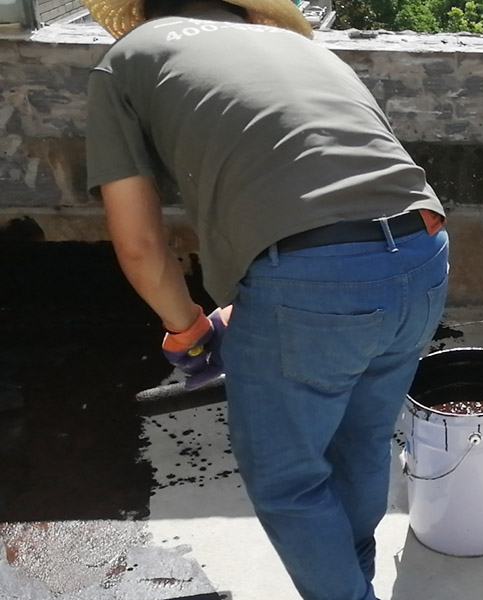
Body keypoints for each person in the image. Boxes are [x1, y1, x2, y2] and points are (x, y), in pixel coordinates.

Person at [81, 0, 449, 598]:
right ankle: (355, 579)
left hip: (309, 281)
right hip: (423, 251)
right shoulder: (300, 46)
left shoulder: (127, 59)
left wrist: (189, 329)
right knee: (361, 442)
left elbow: (141, 245)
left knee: (289, 484)